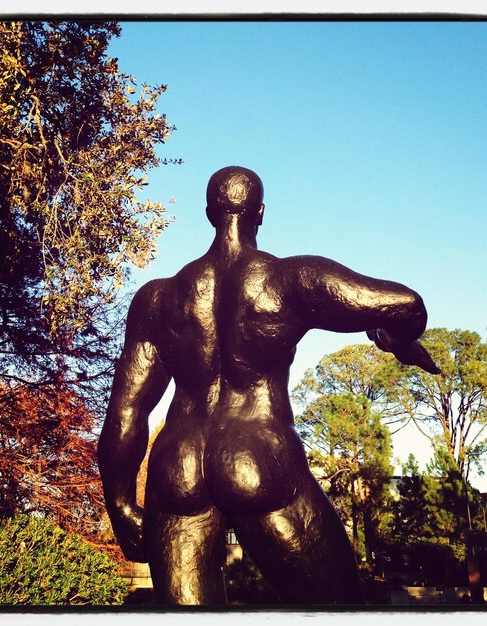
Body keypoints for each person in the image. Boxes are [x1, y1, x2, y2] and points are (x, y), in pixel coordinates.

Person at [98, 166, 439, 605]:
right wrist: (390, 337)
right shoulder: (288, 280)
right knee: (341, 608)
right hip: (255, 454)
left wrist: (120, 503)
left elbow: (126, 410)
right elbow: (405, 305)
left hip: (176, 466)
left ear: (208, 214)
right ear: (260, 213)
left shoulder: (157, 299)